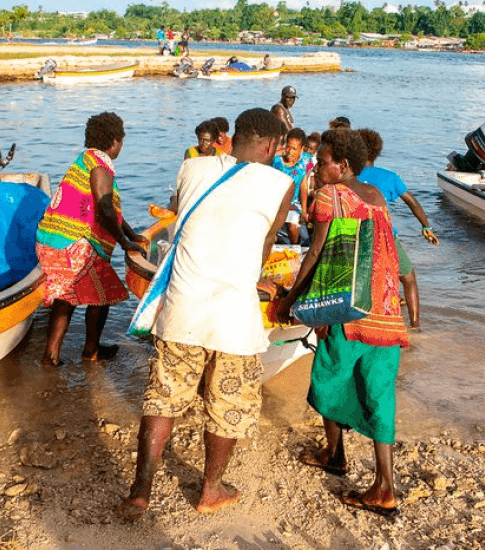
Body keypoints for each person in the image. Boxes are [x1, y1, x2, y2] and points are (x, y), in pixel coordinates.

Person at [118, 108, 294, 520]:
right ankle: (210, 490)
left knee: (162, 399)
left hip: (182, 307)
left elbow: (188, 217)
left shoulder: (192, 167)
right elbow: (265, 244)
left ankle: (140, 492)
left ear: (234, 137)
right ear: (270, 145)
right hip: (233, 316)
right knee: (229, 404)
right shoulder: (282, 182)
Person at [276, 128, 408, 518]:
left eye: (322, 162)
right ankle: (385, 485)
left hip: (350, 310)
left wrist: (290, 300)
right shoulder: (377, 196)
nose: (315, 169)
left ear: (344, 165)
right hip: (386, 310)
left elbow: (314, 254)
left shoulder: (329, 197)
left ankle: (334, 455)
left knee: (328, 378)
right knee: (380, 394)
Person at [35, 112, 146, 366]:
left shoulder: (86, 159)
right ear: (115, 142)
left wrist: (130, 234)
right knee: (103, 293)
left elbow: (110, 210)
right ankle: (90, 351)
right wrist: (124, 242)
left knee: (67, 298)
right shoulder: (100, 166)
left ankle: (52, 355)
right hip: (74, 243)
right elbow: (105, 209)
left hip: (54, 239)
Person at [356, 128, 438, 329]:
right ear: (377, 152)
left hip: (356, 236)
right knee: (408, 278)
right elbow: (413, 202)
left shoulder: (349, 176)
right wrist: (426, 227)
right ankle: (415, 326)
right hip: (385, 238)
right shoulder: (389, 177)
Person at [272, 128, 309, 245]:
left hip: (293, 203)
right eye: (288, 147)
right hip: (276, 201)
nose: (290, 151)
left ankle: (295, 248)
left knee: (293, 226)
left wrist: (304, 211)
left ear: (301, 149)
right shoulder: (277, 161)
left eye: (294, 148)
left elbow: (303, 187)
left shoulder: (305, 162)